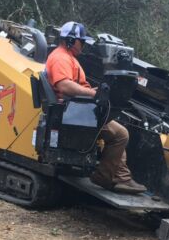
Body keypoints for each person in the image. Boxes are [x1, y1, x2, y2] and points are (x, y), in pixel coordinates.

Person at [45, 21, 147, 195]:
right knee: (120, 134)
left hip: (79, 108)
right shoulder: (61, 58)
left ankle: (120, 176)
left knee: (120, 131)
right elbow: (64, 86)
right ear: (70, 40)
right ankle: (107, 177)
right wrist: (93, 94)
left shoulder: (67, 58)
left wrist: (94, 92)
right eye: (81, 41)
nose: (83, 45)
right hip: (73, 111)